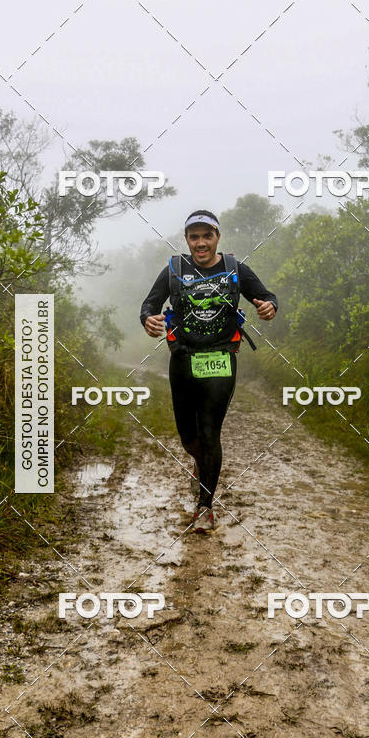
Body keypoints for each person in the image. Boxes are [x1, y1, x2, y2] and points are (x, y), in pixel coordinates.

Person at [140, 209, 278, 532]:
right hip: (183, 360)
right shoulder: (174, 269)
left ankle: (205, 507)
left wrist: (269, 306)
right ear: (187, 240)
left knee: (209, 432)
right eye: (194, 237)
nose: (200, 243)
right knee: (188, 436)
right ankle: (200, 466)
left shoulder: (234, 269)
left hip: (220, 358)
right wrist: (148, 319)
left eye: (207, 236)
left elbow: (267, 296)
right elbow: (150, 304)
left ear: (217, 237)